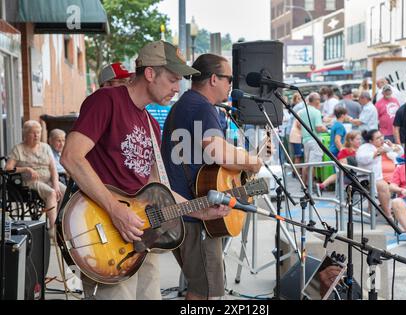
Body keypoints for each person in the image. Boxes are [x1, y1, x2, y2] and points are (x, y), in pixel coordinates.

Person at [61, 40, 228, 300]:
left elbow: (157, 187)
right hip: (104, 233)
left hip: (141, 239)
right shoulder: (107, 100)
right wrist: (115, 210)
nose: (177, 88)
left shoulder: (151, 122)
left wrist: (201, 211)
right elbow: (71, 157)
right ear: (150, 74)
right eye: (173, 79)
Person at [161, 53, 262, 300]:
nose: (231, 85)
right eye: (228, 79)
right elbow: (218, 152)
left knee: (199, 287)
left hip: (181, 211)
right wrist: (253, 162)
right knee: (206, 293)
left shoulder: (183, 105)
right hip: (197, 215)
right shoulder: (203, 107)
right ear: (214, 79)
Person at [5, 120, 66, 230]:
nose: (36, 135)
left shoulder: (45, 147)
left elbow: (53, 169)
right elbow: (7, 168)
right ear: (25, 134)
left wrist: (56, 184)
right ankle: (54, 229)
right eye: (33, 133)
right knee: (51, 193)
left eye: (38, 132)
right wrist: (26, 169)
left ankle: (60, 220)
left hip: (48, 179)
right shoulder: (18, 149)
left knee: (66, 192)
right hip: (31, 181)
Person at [356, 130, 392, 219]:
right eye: (378, 138)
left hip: (379, 178)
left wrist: (392, 146)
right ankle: (388, 215)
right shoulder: (364, 148)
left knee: (394, 186)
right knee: (383, 186)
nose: (381, 139)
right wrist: (376, 153)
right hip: (365, 178)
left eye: (381, 136)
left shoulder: (382, 146)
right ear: (371, 141)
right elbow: (361, 159)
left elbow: (398, 151)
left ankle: (375, 208)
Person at [299, 92, 328, 184]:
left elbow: (299, 125)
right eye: (319, 99)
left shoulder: (302, 111)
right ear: (316, 101)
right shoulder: (316, 112)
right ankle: (311, 185)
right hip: (314, 140)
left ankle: (304, 184)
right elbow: (318, 128)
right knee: (313, 164)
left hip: (305, 139)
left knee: (306, 163)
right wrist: (325, 129)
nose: (320, 101)